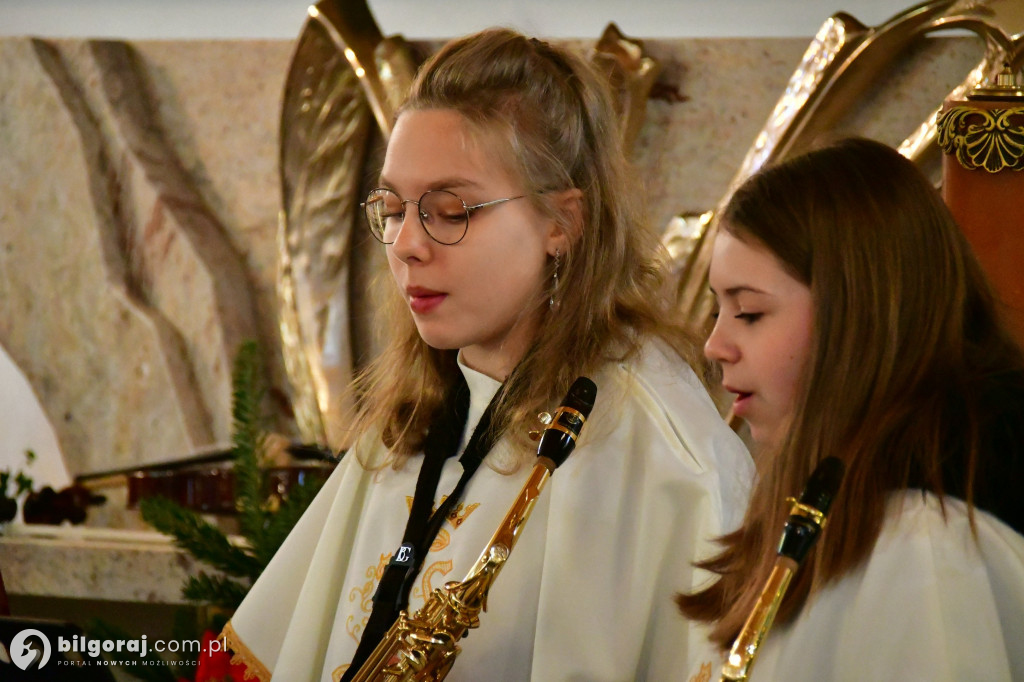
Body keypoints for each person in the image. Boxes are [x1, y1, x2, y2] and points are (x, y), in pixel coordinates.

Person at [223, 29, 753, 681]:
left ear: (561, 223)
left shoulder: (660, 454)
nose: (408, 244)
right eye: (391, 209)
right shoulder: (414, 419)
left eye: (449, 211)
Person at [679, 137, 1024, 680]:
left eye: (747, 312)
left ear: (855, 314)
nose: (715, 344)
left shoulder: (923, 544)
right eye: (720, 307)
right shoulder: (842, 498)